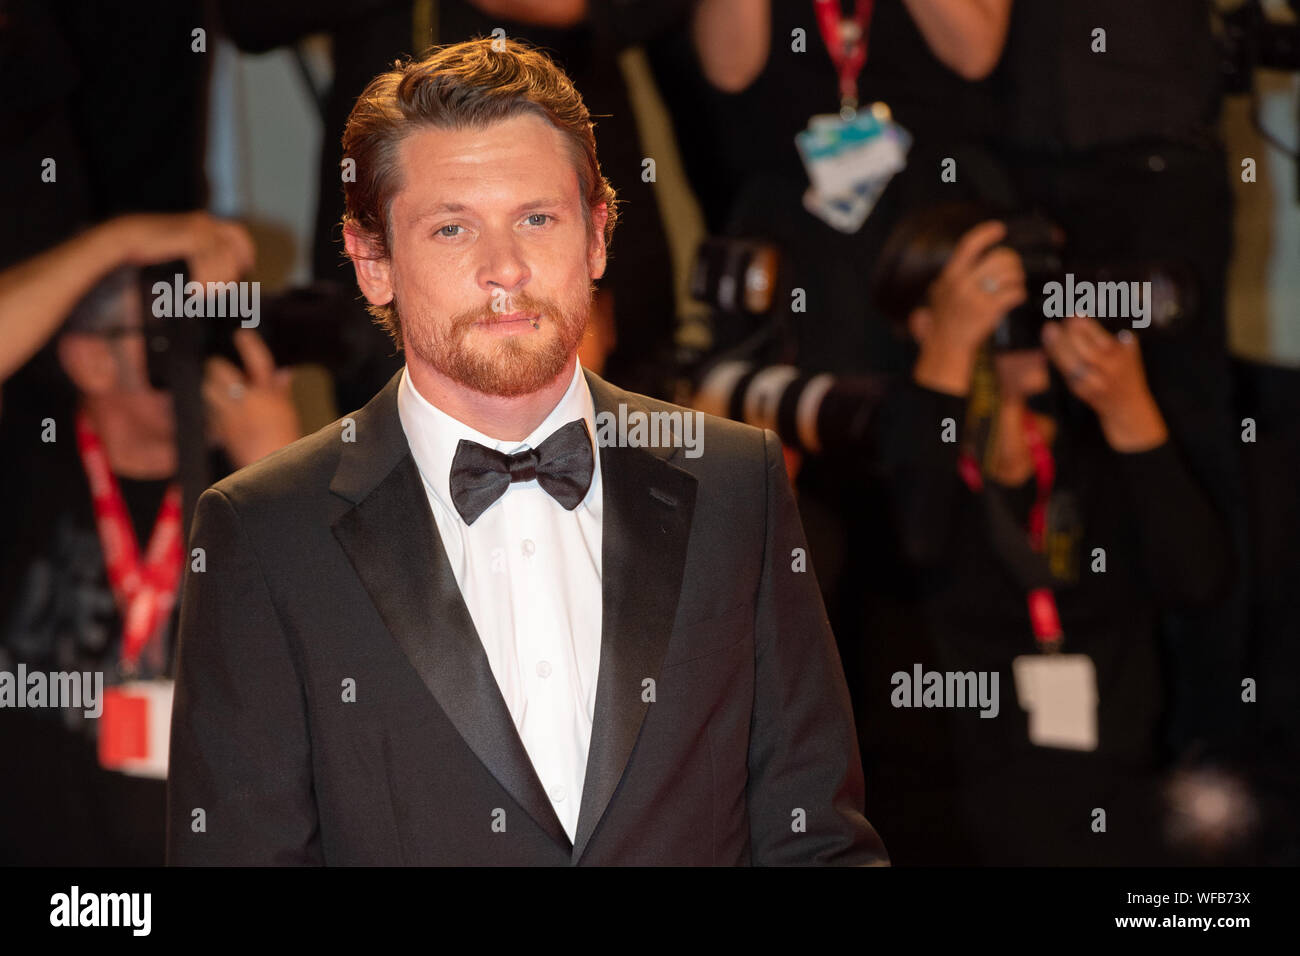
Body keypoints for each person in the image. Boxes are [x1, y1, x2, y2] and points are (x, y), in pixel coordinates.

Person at [165, 38, 886, 866]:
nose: (504, 269)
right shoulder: (265, 532)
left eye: (537, 218)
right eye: (451, 228)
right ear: (372, 262)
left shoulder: (735, 481)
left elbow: (818, 840)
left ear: (597, 237)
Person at [870, 212, 1232, 864]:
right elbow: (913, 544)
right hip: (959, 819)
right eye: (1004, 300)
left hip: (1116, 806)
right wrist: (950, 354)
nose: (1037, 324)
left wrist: (1132, 414)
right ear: (927, 322)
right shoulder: (895, 450)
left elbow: (1198, 581)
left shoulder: (1093, 454)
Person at [0, 212, 301, 865]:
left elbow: (336, 687)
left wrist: (282, 476)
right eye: (173, 328)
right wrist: (123, 239)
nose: (207, 351)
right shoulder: (28, 458)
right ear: (91, 358)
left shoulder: (258, 480)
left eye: (217, 321)